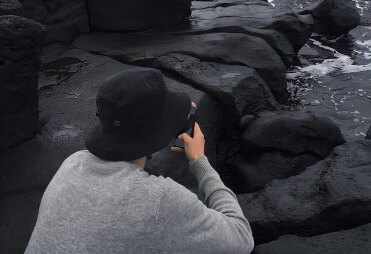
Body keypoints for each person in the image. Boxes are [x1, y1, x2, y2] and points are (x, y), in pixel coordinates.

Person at [25, 68, 254, 254]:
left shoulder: (72, 164)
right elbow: (241, 238)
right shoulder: (159, 201)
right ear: (161, 128)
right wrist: (200, 162)